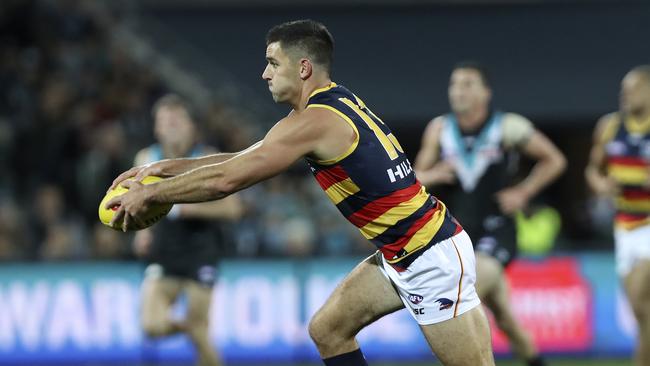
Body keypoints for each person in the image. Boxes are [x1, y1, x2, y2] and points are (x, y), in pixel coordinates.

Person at [107, 20, 494, 365]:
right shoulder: (327, 105)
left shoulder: (316, 121)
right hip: (405, 251)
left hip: (427, 257)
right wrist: (158, 169)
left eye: (273, 63)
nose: (264, 74)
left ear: (303, 67)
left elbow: (227, 180)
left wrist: (154, 195)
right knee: (328, 331)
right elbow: (241, 158)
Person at [414, 62, 566, 366]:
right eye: (454, 84)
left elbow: (554, 160)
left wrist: (523, 192)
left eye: (468, 84)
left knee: (465, 294)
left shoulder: (507, 126)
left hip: (498, 230)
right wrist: (436, 174)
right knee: (506, 319)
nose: (459, 91)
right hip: (458, 232)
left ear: (486, 92)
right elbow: (416, 177)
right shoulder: (440, 129)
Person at [133, 94, 243, 366]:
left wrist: (184, 207)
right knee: (152, 325)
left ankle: (195, 330)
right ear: (156, 128)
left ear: (192, 126)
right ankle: (190, 327)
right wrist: (141, 231)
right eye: (165, 121)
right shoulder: (146, 158)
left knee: (199, 333)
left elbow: (232, 209)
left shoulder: (206, 159)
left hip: (201, 250)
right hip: (164, 250)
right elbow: (138, 202)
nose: (171, 126)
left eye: (177, 120)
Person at [585, 65, 650, 366]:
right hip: (624, 226)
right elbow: (592, 169)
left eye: (633, 89)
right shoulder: (610, 126)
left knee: (642, 302)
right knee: (640, 312)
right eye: (623, 89)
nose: (625, 95)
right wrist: (601, 185)